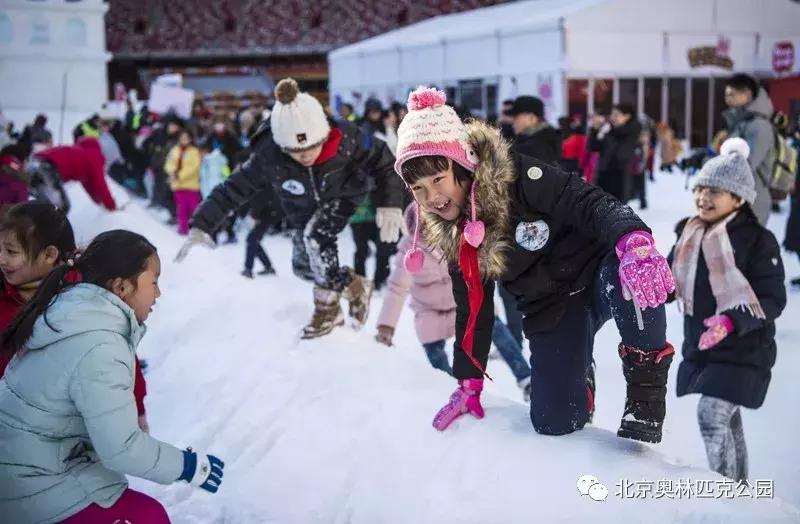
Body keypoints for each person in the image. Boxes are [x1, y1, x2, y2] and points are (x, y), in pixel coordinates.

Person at [393, 87, 675, 442]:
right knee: (553, 422)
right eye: (418, 188)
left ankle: (645, 389)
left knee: (633, 270)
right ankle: (578, 373)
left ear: (461, 165)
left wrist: (631, 238)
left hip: (595, 270)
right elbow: (474, 309)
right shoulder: (457, 236)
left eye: (438, 180)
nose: (432, 197)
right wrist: (468, 381)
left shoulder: (518, 176)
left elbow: (587, 201)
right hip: (550, 307)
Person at [0, 230, 224, 523]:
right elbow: (122, 449)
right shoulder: (101, 344)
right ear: (121, 287)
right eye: (153, 282)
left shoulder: (71, 311)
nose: (158, 293)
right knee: (148, 518)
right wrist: (191, 467)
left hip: (26, 466)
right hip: (31, 484)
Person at [176, 78, 405, 338]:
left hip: (344, 194)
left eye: (312, 147)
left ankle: (328, 312)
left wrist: (390, 204)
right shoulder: (269, 155)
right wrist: (202, 224)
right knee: (304, 266)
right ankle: (353, 284)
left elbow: (385, 161)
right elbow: (233, 189)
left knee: (317, 237)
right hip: (301, 208)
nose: (306, 155)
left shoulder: (348, 139)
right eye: (296, 151)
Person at [668, 138, 786, 481]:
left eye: (715, 191)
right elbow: (669, 279)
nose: (703, 197)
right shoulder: (688, 232)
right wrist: (644, 273)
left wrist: (732, 321)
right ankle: (739, 489)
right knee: (727, 419)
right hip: (703, 344)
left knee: (712, 414)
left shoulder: (757, 240)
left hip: (746, 346)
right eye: (700, 188)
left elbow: (773, 298)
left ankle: (726, 496)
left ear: (738, 198)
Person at [375, 204, 532, 399]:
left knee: (495, 326)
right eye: (422, 227)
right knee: (435, 355)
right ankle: (453, 391)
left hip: (461, 304)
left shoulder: (454, 237)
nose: (429, 231)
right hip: (430, 311)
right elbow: (397, 287)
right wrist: (386, 326)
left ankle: (526, 378)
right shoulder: (410, 249)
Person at [722, 73, 775, 225]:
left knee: (746, 246)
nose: (727, 99)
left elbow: (746, 164)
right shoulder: (743, 122)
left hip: (754, 200)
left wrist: (712, 164)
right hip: (739, 196)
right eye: (726, 95)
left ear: (747, 94)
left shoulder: (759, 125)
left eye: (732, 94)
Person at [35, 137, 117, 211]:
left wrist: (98, 201)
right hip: (50, 169)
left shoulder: (86, 153)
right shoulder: (95, 157)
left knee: (45, 206)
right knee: (61, 207)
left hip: (39, 165)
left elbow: (88, 184)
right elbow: (101, 184)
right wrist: (111, 206)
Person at [589, 103, 642, 202]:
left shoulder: (631, 133)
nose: (613, 117)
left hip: (620, 181)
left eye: (617, 114)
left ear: (627, 116)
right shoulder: (610, 131)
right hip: (603, 179)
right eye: (612, 114)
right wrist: (595, 130)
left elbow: (621, 155)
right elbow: (593, 147)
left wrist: (608, 135)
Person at [165, 129, 202, 236]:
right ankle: (183, 229)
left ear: (190, 139)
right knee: (181, 209)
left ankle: (197, 229)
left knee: (194, 208)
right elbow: (169, 163)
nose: (184, 140)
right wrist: (172, 172)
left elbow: (194, 167)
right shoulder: (174, 150)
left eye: (186, 138)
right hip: (178, 186)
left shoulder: (194, 151)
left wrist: (179, 175)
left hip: (191, 185)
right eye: (182, 137)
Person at [504, 95, 561, 163]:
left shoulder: (532, 148)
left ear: (531, 118)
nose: (513, 121)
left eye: (516, 117)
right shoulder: (552, 139)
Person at [242, 187, 277, 279]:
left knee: (252, 240)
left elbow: (260, 201)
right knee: (254, 241)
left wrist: (255, 215)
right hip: (266, 215)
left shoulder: (261, 183)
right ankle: (268, 267)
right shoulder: (258, 182)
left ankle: (248, 269)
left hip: (265, 216)